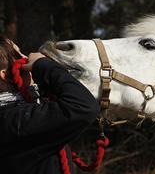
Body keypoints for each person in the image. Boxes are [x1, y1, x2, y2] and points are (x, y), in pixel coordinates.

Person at [0, 35, 100, 174]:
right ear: (4, 74)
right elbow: (83, 107)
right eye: (18, 55)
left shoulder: (13, 115)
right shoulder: (16, 121)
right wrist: (42, 65)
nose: (26, 57)